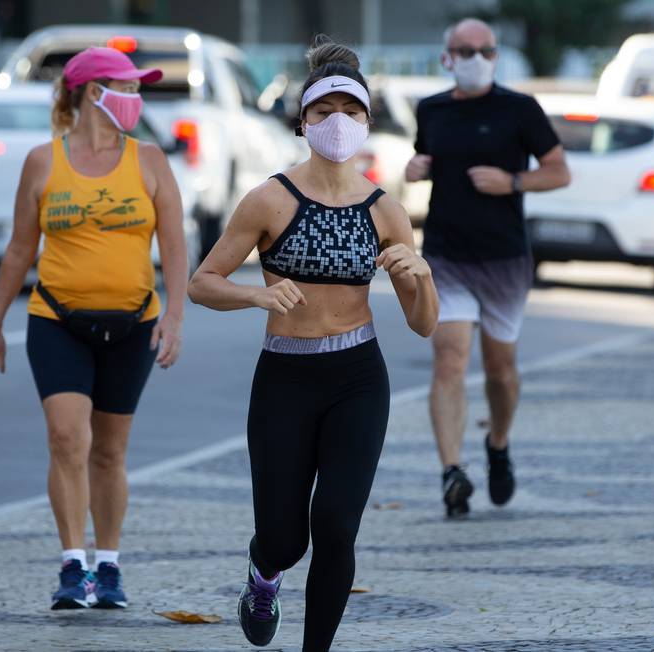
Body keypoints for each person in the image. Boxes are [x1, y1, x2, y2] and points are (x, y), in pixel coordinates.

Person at [187, 37, 439, 651]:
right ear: (303, 122)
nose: (337, 122)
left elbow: (424, 324)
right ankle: (263, 572)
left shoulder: (386, 211)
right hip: (285, 378)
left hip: (358, 377)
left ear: (367, 122)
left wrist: (422, 276)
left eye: (350, 112)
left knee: (335, 526)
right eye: (324, 111)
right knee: (284, 539)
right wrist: (256, 296)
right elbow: (202, 283)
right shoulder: (268, 199)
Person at [0, 47, 187, 609]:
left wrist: (174, 316)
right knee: (68, 438)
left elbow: (174, 246)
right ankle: (74, 564)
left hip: (133, 324)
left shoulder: (149, 160)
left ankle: (108, 565)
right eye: (129, 87)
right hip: (57, 321)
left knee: (110, 453)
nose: (136, 98)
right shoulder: (43, 162)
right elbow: (20, 249)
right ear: (95, 92)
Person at [405, 18, 570, 519]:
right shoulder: (431, 109)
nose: (476, 58)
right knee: (449, 360)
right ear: (447, 57)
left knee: (500, 370)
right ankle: (451, 471)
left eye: (486, 50)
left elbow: (559, 171)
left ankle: (498, 444)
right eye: (465, 50)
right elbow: (423, 159)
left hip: (503, 258)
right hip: (446, 254)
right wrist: (415, 169)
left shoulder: (520, 109)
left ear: (496, 56)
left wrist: (513, 182)